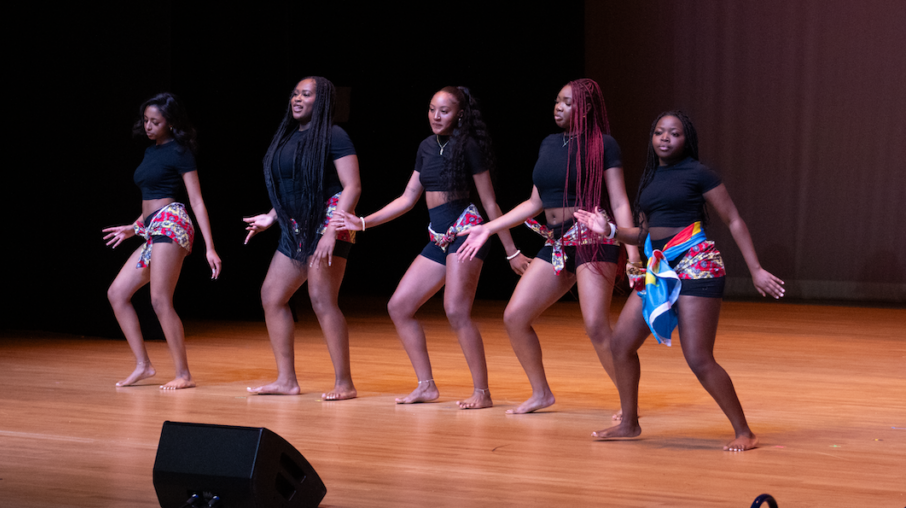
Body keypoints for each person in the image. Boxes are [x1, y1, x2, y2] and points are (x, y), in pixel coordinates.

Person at [575, 110, 784, 451]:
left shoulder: (699, 174)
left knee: (699, 358)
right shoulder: (650, 179)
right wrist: (609, 231)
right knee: (620, 344)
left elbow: (732, 220)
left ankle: (744, 431)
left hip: (697, 264)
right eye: (659, 132)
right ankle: (629, 423)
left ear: (687, 140)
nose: (665, 138)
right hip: (660, 268)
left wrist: (756, 268)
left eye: (674, 133)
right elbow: (643, 232)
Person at [333, 86, 526, 409]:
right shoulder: (425, 147)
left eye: (445, 111)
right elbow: (408, 199)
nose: (436, 116)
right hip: (438, 237)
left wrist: (511, 250)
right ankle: (426, 386)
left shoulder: (469, 147)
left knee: (455, 310)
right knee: (399, 306)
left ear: (460, 114)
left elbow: (491, 203)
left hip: (466, 233)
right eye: (432, 109)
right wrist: (363, 222)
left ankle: (482, 392)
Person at [457, 79, 642, 415]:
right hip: (557, 241)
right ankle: (541, 392)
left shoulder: (604, 144)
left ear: (585, 108)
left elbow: (619, 199)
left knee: (596, 326)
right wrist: (487, 228)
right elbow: (533, 203)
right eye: (557, 100)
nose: (558, 106)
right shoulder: (548, 144)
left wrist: (632, 254)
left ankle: (628, 403)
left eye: (567, 102)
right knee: (515, 316)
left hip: (592, 239)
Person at [243, 76, 361, 401]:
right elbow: (292, 185)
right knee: (271, 295)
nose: (297, 98)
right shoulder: (289, 137)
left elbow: (352, 186)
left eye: (306, 94)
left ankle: (344, 383)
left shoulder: (334, 135)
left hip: (328, 223)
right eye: (295, 93)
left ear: (320, 101)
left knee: (322, 299)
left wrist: (331, 232)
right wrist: (270, 216)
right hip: (295, 226)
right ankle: (286, 380)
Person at [103, 93, 221, 390]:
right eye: (145, 120)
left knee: (159, 300)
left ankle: (183, 374)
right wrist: (134, 227)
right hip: (151, 227)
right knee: (117, 293)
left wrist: (210, 246)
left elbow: (196, 200)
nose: (149, 126)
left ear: (170, 122)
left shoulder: (180, 151)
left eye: (155, 121)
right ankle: (143, 365)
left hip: (172, 223)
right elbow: (150, 201)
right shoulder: (150, 152)